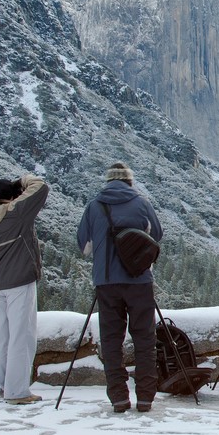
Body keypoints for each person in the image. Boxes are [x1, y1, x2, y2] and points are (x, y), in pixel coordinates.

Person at [77, 162, 163, 413]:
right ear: (129, 182)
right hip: (139, 281)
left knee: (112, 340)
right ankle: (146, 397)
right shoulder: (142, 203)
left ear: (108, 181)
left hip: (106, 283)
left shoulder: (94, 206)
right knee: (145, 339)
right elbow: (156, 236)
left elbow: (84, 247)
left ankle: (118, 398)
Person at [0, 174, 49, 405]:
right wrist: (22, 182)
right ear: (9, 198)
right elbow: (40, 187)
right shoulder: (14, 214)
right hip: (19, 281)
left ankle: (3, 387)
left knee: (2, 338)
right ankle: (17, 391)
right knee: (22, 336)